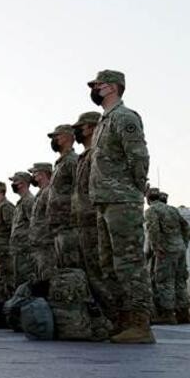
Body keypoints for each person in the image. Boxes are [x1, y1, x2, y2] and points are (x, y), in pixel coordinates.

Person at [88, 69, 153, 344]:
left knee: (128, 263)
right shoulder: (105, 121)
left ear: (113, 87)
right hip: (104, 200)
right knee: (108, 264)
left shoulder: (125, 117)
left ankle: (139, 323)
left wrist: (134, 189)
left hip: (122, 199)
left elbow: (138, 156)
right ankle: (122, 321)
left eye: (98, 85)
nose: (94, 89)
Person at [71, 111, 117, 320]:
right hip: (82, 223)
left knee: (101, 271)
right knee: (90, 273)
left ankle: (116, 317)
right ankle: (107, 318)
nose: (76, 131)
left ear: (90, 127)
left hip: (93, 221)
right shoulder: (83, 157)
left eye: (80, 127)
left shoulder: (97, 154)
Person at [145, 188, 190, 324]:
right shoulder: (172, 209)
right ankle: (184, 313)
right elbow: (186, 227)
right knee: (180, 280)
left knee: (164, 281)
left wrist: (156, 247)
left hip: (165, 250)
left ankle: (167, 314)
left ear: (148, 199)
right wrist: (183, 243)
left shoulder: (151, 211)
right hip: (180, 249)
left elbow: (153, 229)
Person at [46, 125, 81, 269]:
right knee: (62, 267)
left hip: (69, 224)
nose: (54, 140)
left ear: (68, 137)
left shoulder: (73, 161)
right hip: (59, 225)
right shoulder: (61, 163)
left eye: (57, 136)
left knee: (71, 266)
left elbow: (80, 189)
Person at [8, 171, 36, 288]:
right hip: (19, 250)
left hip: (26, 250)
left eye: (15, 181)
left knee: (26, 282)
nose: (13, 184)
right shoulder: (21, 202)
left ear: (23, 183)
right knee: (19, 282)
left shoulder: (29, 201)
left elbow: (34, 224)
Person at [28, 162, 56, 281]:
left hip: (46, 242)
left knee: (48, 276)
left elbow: (52, 215)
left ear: (43, 174)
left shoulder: (49, 191)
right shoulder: (40, 193)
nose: (33, 176)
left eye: (35, 173)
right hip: (39, 242)